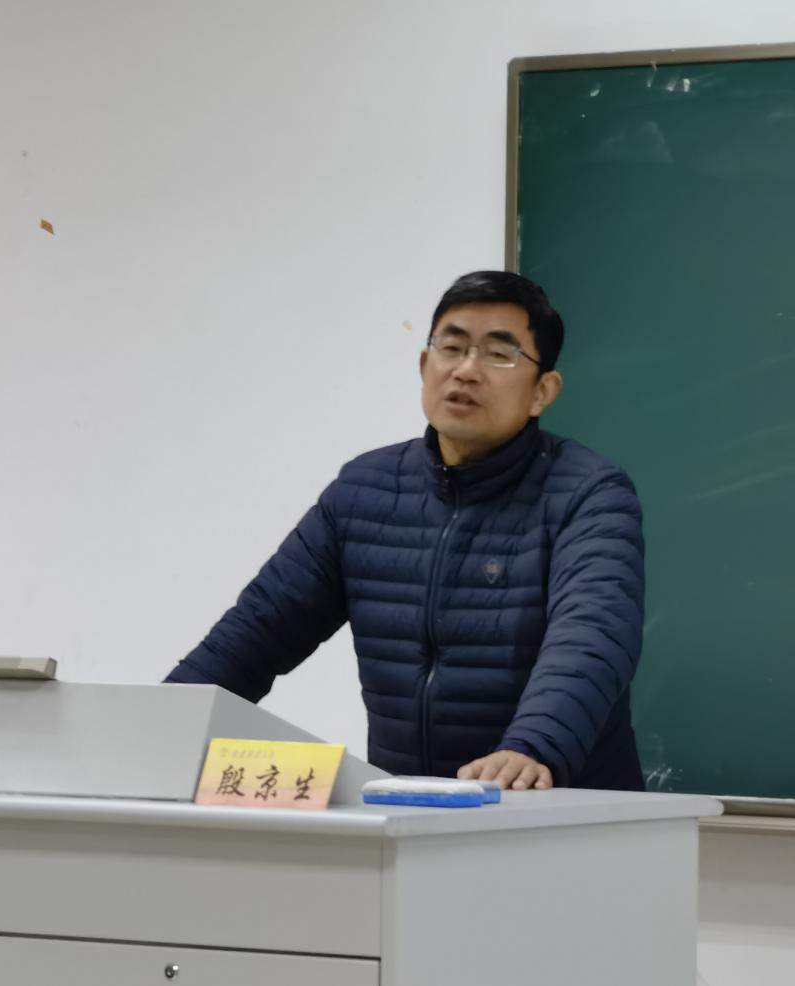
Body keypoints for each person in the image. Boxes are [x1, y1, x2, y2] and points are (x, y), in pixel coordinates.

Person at [166, 271, 645, 791]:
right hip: (413, 815)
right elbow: (258, 629)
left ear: (542, 392)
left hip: (559, 810)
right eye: (451, 347)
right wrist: (158, 726)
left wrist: (531, 747)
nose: (466, 370)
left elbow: (591, 637)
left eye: (498, 354)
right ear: (424, 366)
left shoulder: (587, 493)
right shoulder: (363, 492)